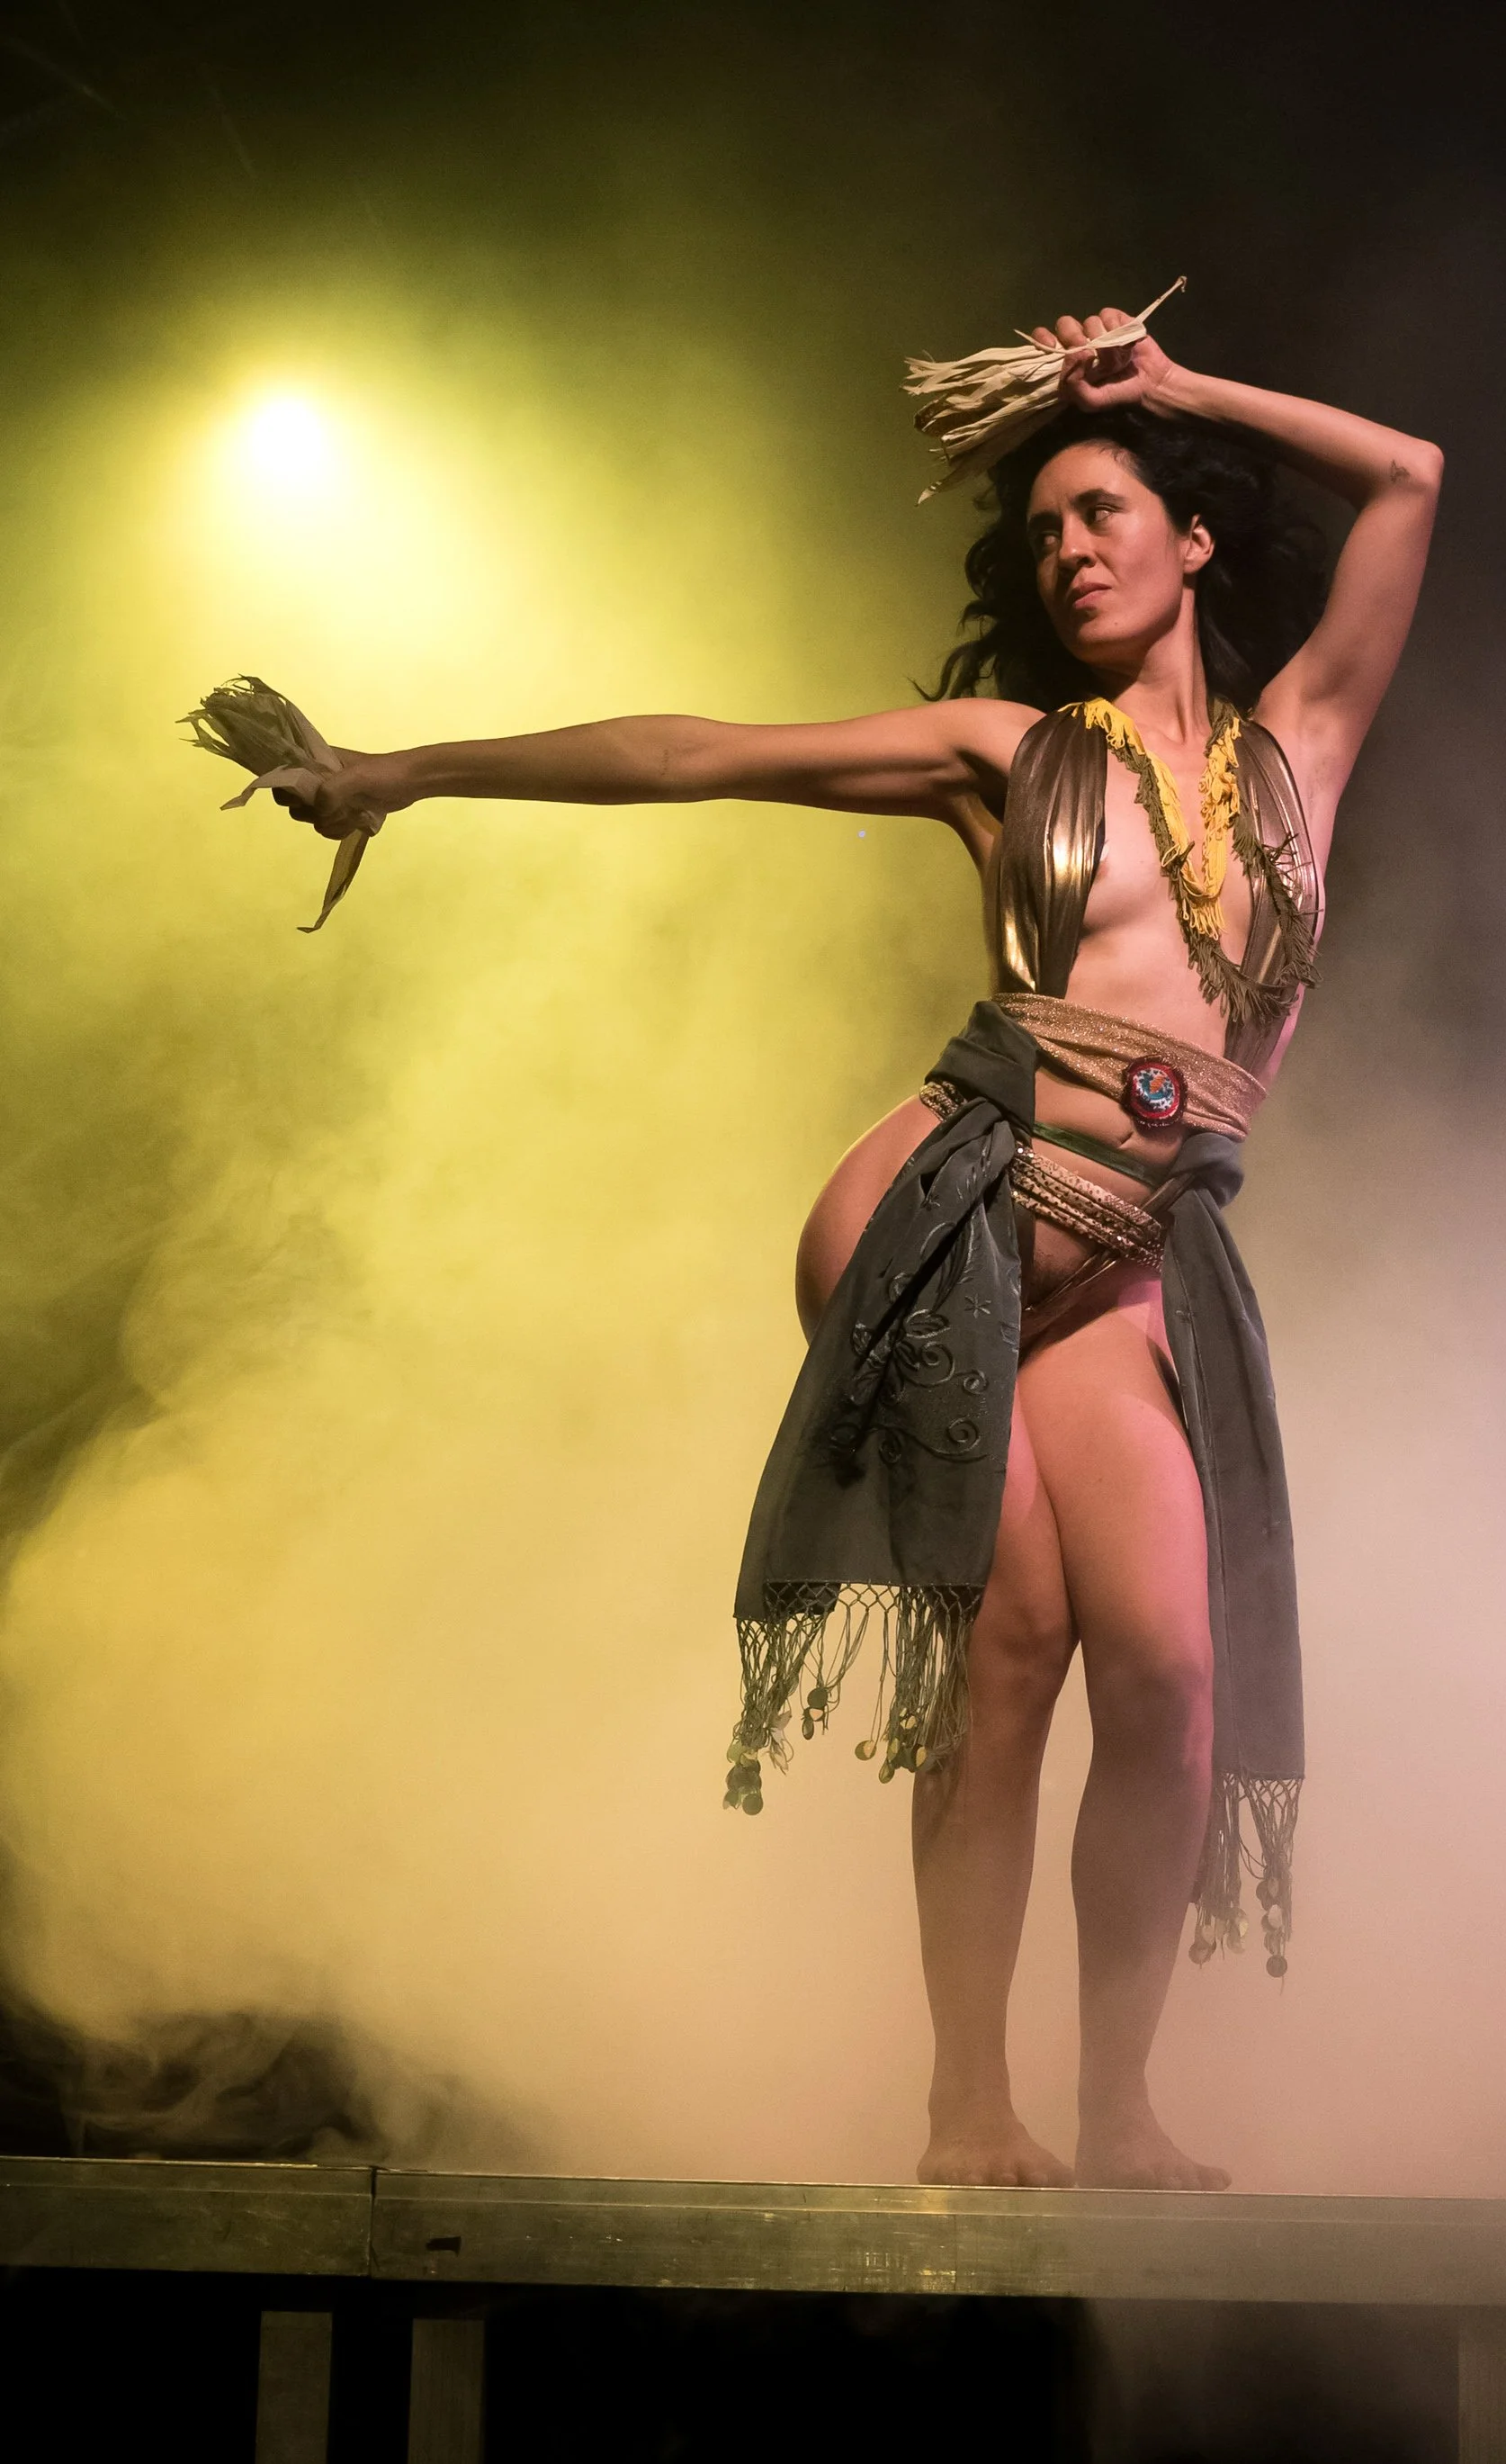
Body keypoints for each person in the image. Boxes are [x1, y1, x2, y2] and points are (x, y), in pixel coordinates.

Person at [279, 308, 1441, 2190]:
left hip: (1127, 1263)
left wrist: (1169, 388)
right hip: (950, 1217)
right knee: (1015, 1649)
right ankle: (968, 2101)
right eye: (1042, 532)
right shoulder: (1006, 754)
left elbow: (1409, 476)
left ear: (1194, 537)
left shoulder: (1303, 746)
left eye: (1101, 512)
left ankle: (1121, 2107)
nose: (1065, 550)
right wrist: (406, 769)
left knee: (1170, 1678)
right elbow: (699, 753)